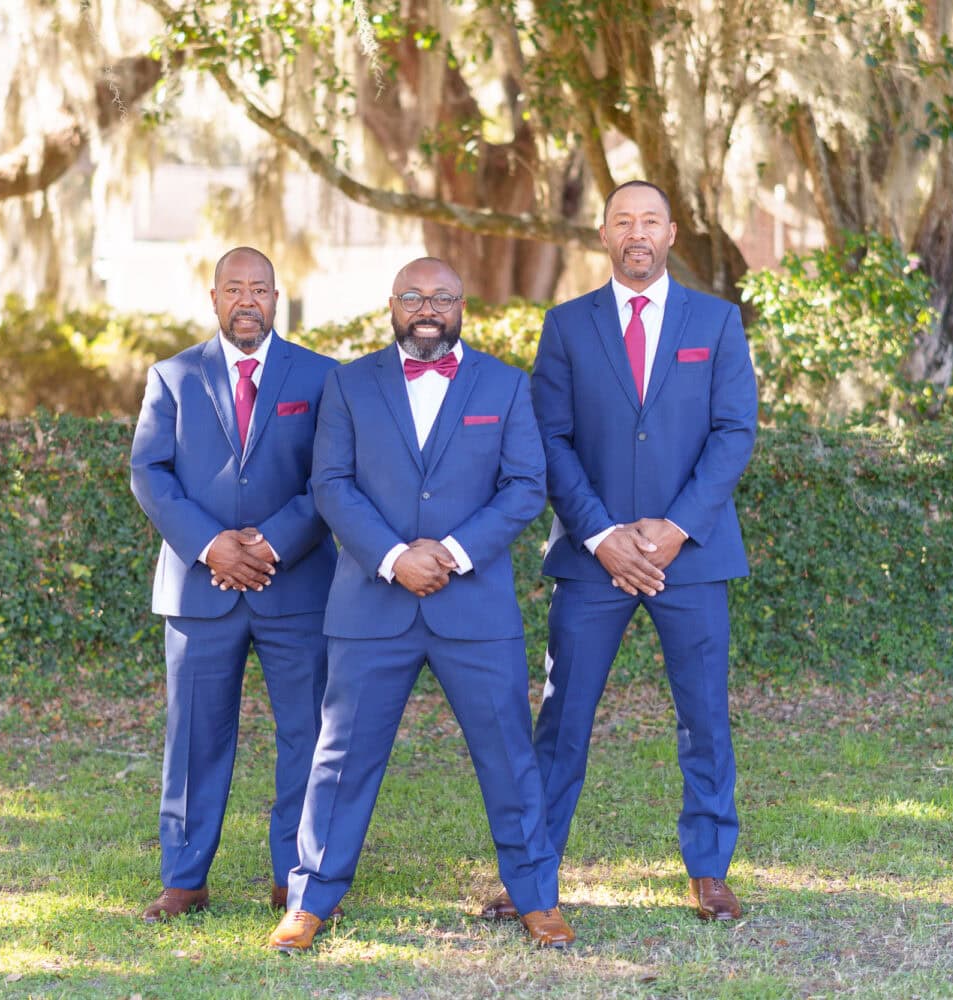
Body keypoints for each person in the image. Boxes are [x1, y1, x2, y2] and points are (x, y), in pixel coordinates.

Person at [266, 257, 573, 952]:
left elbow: (525, 486)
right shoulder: (348, 385)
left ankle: (537, 898)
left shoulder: (505, 384)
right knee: (339, 757)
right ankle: (311, 899)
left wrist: (455, 552)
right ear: (392, 305)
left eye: (440, 295)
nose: (426, 306)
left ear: (463, 304)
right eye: (412, 296)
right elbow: (332, 485)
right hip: (371, 604)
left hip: (475, 608)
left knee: (508, 756)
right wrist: (395, 557)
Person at [498, 181, 759, 922]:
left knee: (704, 716)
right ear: (604, 235)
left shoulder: (715, 321)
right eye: (623, 221)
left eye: (649, 220)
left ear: (672, 233)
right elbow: (549, 440)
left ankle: (709, 868)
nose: (636, 232)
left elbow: (733, 431)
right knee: (562, 720)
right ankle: (533, 872)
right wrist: (604, 535)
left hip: (693, 558)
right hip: (592, 562)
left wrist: (675, 528)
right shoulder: (567, 326)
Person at [130, 246, 338, 922]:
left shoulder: (321, 377)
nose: (246, 300)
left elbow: (331, 479)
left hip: (296, 587)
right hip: (200, 589)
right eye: (233, 288)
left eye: (260, 289)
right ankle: (184, 877)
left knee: (306, 735)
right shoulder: (172, 377)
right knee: (195, 737)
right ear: (214, 298)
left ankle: (298, 876)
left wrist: (271, 542)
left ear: (278, 300)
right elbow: (150, 474)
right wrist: (211, 546)